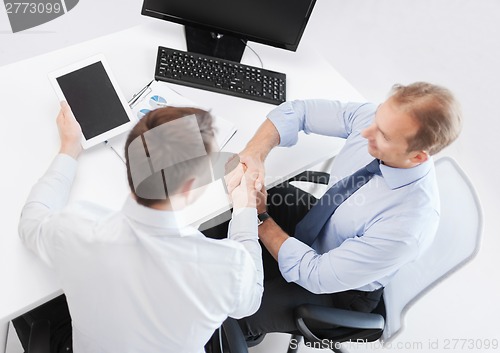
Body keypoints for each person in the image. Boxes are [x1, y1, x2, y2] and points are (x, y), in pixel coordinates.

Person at [15, 102, 263, 353]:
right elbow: (249, 302)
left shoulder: (75, 230)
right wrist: (245, 206)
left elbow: (31, 220)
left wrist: (69, 149)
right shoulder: (227, 267)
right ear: (189, 188)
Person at [224, 82, 462, 339]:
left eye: (383, 135)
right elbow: (298, 111)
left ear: (417, 157)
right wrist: (254, 153)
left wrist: (259, 217)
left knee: (228, 312)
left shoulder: (408, 225)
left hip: (337, 290)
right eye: (378, 116)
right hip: (324, 222)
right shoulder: (379, 122)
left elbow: (314, 273)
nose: (365, 132)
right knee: (222, 212)